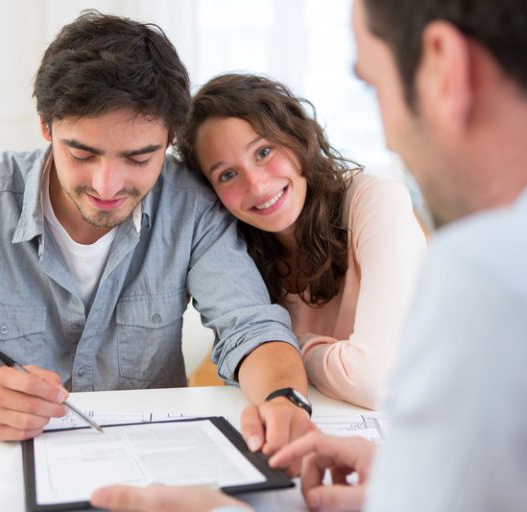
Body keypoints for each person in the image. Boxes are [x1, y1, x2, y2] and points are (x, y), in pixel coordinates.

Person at [90, 0, 527, 510]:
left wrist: (221, 507)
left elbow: (376, 377)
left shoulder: (493, 269)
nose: (391, 138)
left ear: (442, 65)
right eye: (228, 174)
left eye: (372, 85)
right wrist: (401, 482)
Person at [0, 11, 315, 453]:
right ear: (47, 126)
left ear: (169, 141)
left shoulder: (192, 205)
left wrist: (284, 400)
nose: (107, 186)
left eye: (139, 159)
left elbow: (250, 326)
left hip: (147, 456)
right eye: (82, 154)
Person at [177, 73, 426, 409]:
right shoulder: (236, 252)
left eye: (263, 151)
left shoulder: (377, 200)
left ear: (296, 138)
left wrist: (286, 349)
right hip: (323, 432)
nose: (257, 184)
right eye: (228, 174)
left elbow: (375, 381)